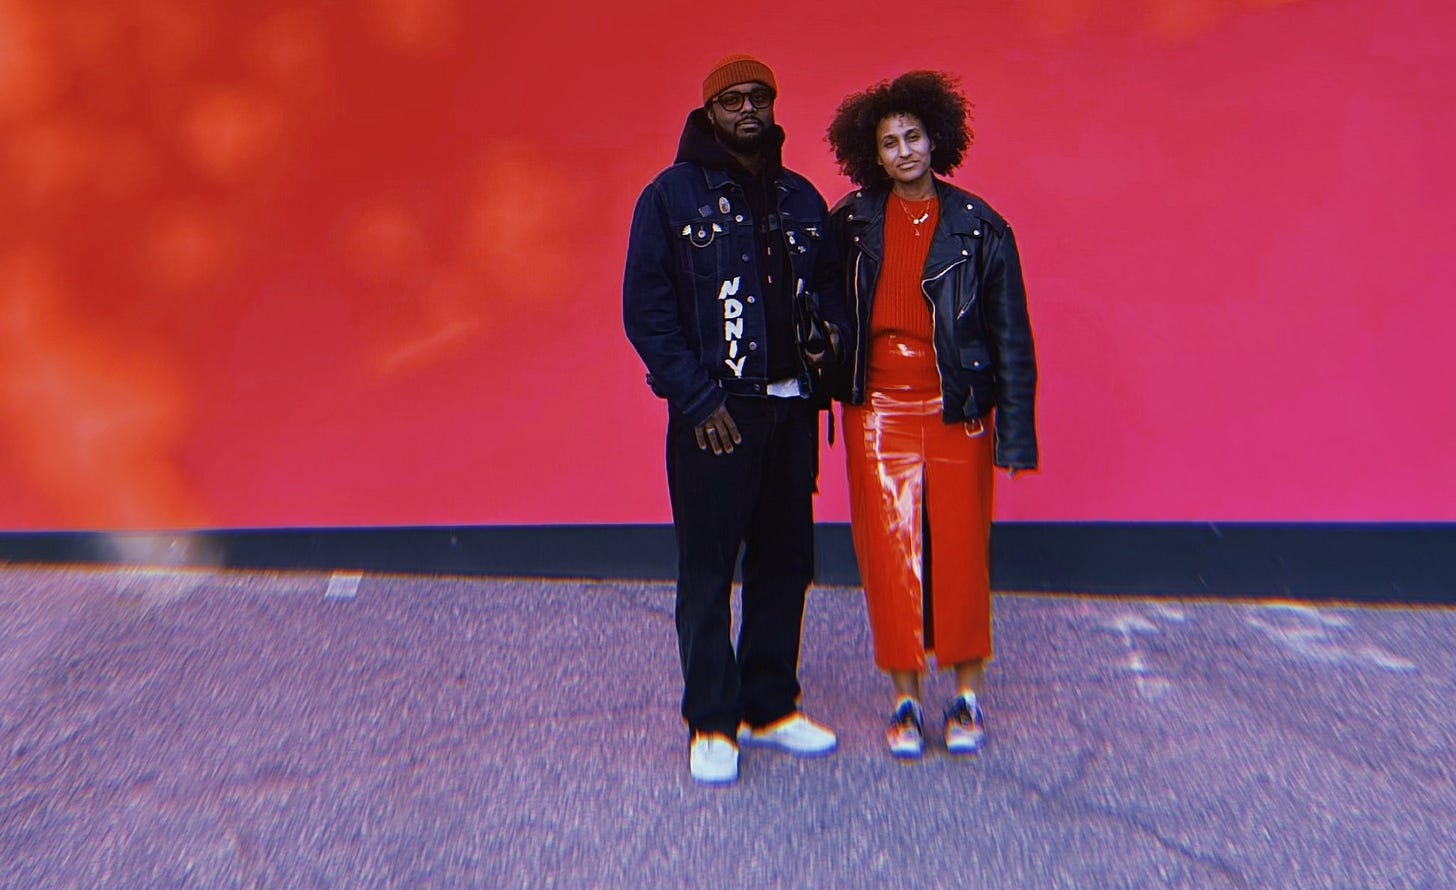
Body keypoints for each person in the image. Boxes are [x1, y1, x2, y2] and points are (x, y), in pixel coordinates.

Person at [623, 54, 850, 785]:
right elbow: (647, 313)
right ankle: (712, 721)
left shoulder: (802, 198)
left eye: (760, 97)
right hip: (714, 418)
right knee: (709, 571)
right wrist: (698, 400)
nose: (749, 109)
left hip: (791, 412)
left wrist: (830, 354)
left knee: (786, 564)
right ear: (709, 111)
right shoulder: (668, 197)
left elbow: (833, 298)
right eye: (733, 100)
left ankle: (770, 706)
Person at [826, 70, 1038, 759]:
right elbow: (823, 309)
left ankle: (968, 695)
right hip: (878, 411)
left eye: (914, 136)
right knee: (890, 554)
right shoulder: (852, 222)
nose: (904, 151)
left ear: (936, 139)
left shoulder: (981, 228)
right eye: (889, 143)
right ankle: (907, 701)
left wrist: (1016, 434)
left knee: (957, 550)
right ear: (874, 155)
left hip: (957, 409)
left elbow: (1011, 335)